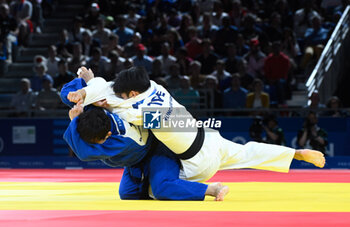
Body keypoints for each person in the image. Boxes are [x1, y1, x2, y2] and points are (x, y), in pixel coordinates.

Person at [68, 67, 326, 183]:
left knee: (155, 185)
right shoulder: (157, 87)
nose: (120, 98)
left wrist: (88, 92)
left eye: (124, 95)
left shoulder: (141, 112)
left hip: (195, 165)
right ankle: (295, 154)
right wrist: (94, 86)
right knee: (248, 152)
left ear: (133, 93)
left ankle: (210, 190)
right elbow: (112, 92)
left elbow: (110, 99)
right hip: (208, 137)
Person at [61, 78, 228, 201]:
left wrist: (74, 120)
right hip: (136, 160)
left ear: (107, 136)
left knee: (161, 188)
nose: (94, 145)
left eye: (96, 142)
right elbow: (65, 94)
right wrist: (80, 94)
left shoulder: (119, 140)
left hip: (158, 149)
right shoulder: (96, 109)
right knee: (127, 194)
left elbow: (83, 153)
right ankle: (151, 179)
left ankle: (211, 189)